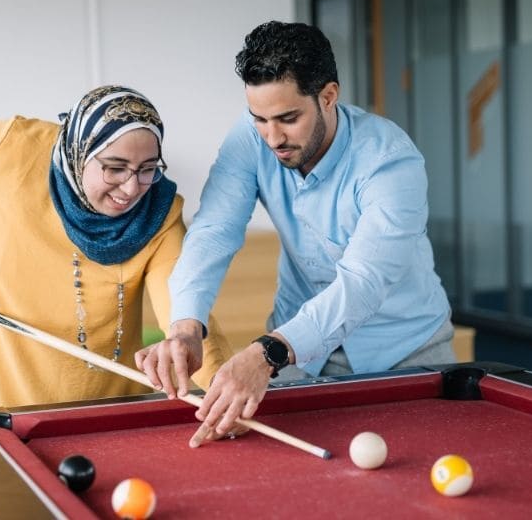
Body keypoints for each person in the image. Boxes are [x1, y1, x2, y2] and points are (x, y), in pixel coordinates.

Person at [139, 23, 455, 445]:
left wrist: (266, 353)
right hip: (298, 353)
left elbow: (362, 283)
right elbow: (214, 230)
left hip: (404, 353)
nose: (273, 137)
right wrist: (184, 327)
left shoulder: (390, 162)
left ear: (328, 96)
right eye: (260, 120)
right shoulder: (251, 138)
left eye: (288, 118)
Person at [0, 86, 229, 411]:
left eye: (147, 170)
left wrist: (220, 392)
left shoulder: (158, 213)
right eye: (114, 168)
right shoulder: (12, 149)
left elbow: (183, 313)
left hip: (108, 405)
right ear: (79, 153)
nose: (131, 189)